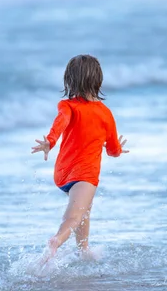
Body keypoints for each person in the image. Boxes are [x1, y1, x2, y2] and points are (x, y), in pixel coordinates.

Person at [31, 54, 128, 262]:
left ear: (70, 80)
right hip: (85, 174)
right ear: (98, 80)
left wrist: (50, 141)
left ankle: (84, 251)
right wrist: (119, 150)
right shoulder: (105, 114)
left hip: (63, 173)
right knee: (74, 217)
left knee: (84, 210)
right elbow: (112, 150)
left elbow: (61, 122)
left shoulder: (67, 106)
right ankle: (56, 241)